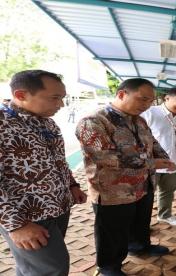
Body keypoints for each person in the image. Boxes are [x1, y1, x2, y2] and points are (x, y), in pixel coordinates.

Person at [76, 78, 175, 275]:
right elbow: (105, 157)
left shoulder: (139, 120)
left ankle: (139, 246)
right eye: (143, 99)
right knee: (112, 231)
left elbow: (151, 141)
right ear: (122, 94)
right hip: (113, 190)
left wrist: (164, 157)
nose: (147, 105)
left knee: (140, 221)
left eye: (150, 101)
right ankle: (108, 266)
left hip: (143, 184)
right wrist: (151, 163)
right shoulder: (94, 121)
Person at [0, 70, 87, 276]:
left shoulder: (47, 122)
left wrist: (72, 185)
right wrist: (17, 225)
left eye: (62, 98)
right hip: (26, 215)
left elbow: (58, 161)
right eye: (54, 98)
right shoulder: (3, 123)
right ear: (21, 95)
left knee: (34, 269)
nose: (61, 105)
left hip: (58, 207)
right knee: (51, 269)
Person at [141, 87, 176, 227]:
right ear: (167, 98)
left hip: (175, 161)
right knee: (145, 196)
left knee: (168, 191)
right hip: (152, 164)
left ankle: (164, 215)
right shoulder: (149, 113)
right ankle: (141, 225)